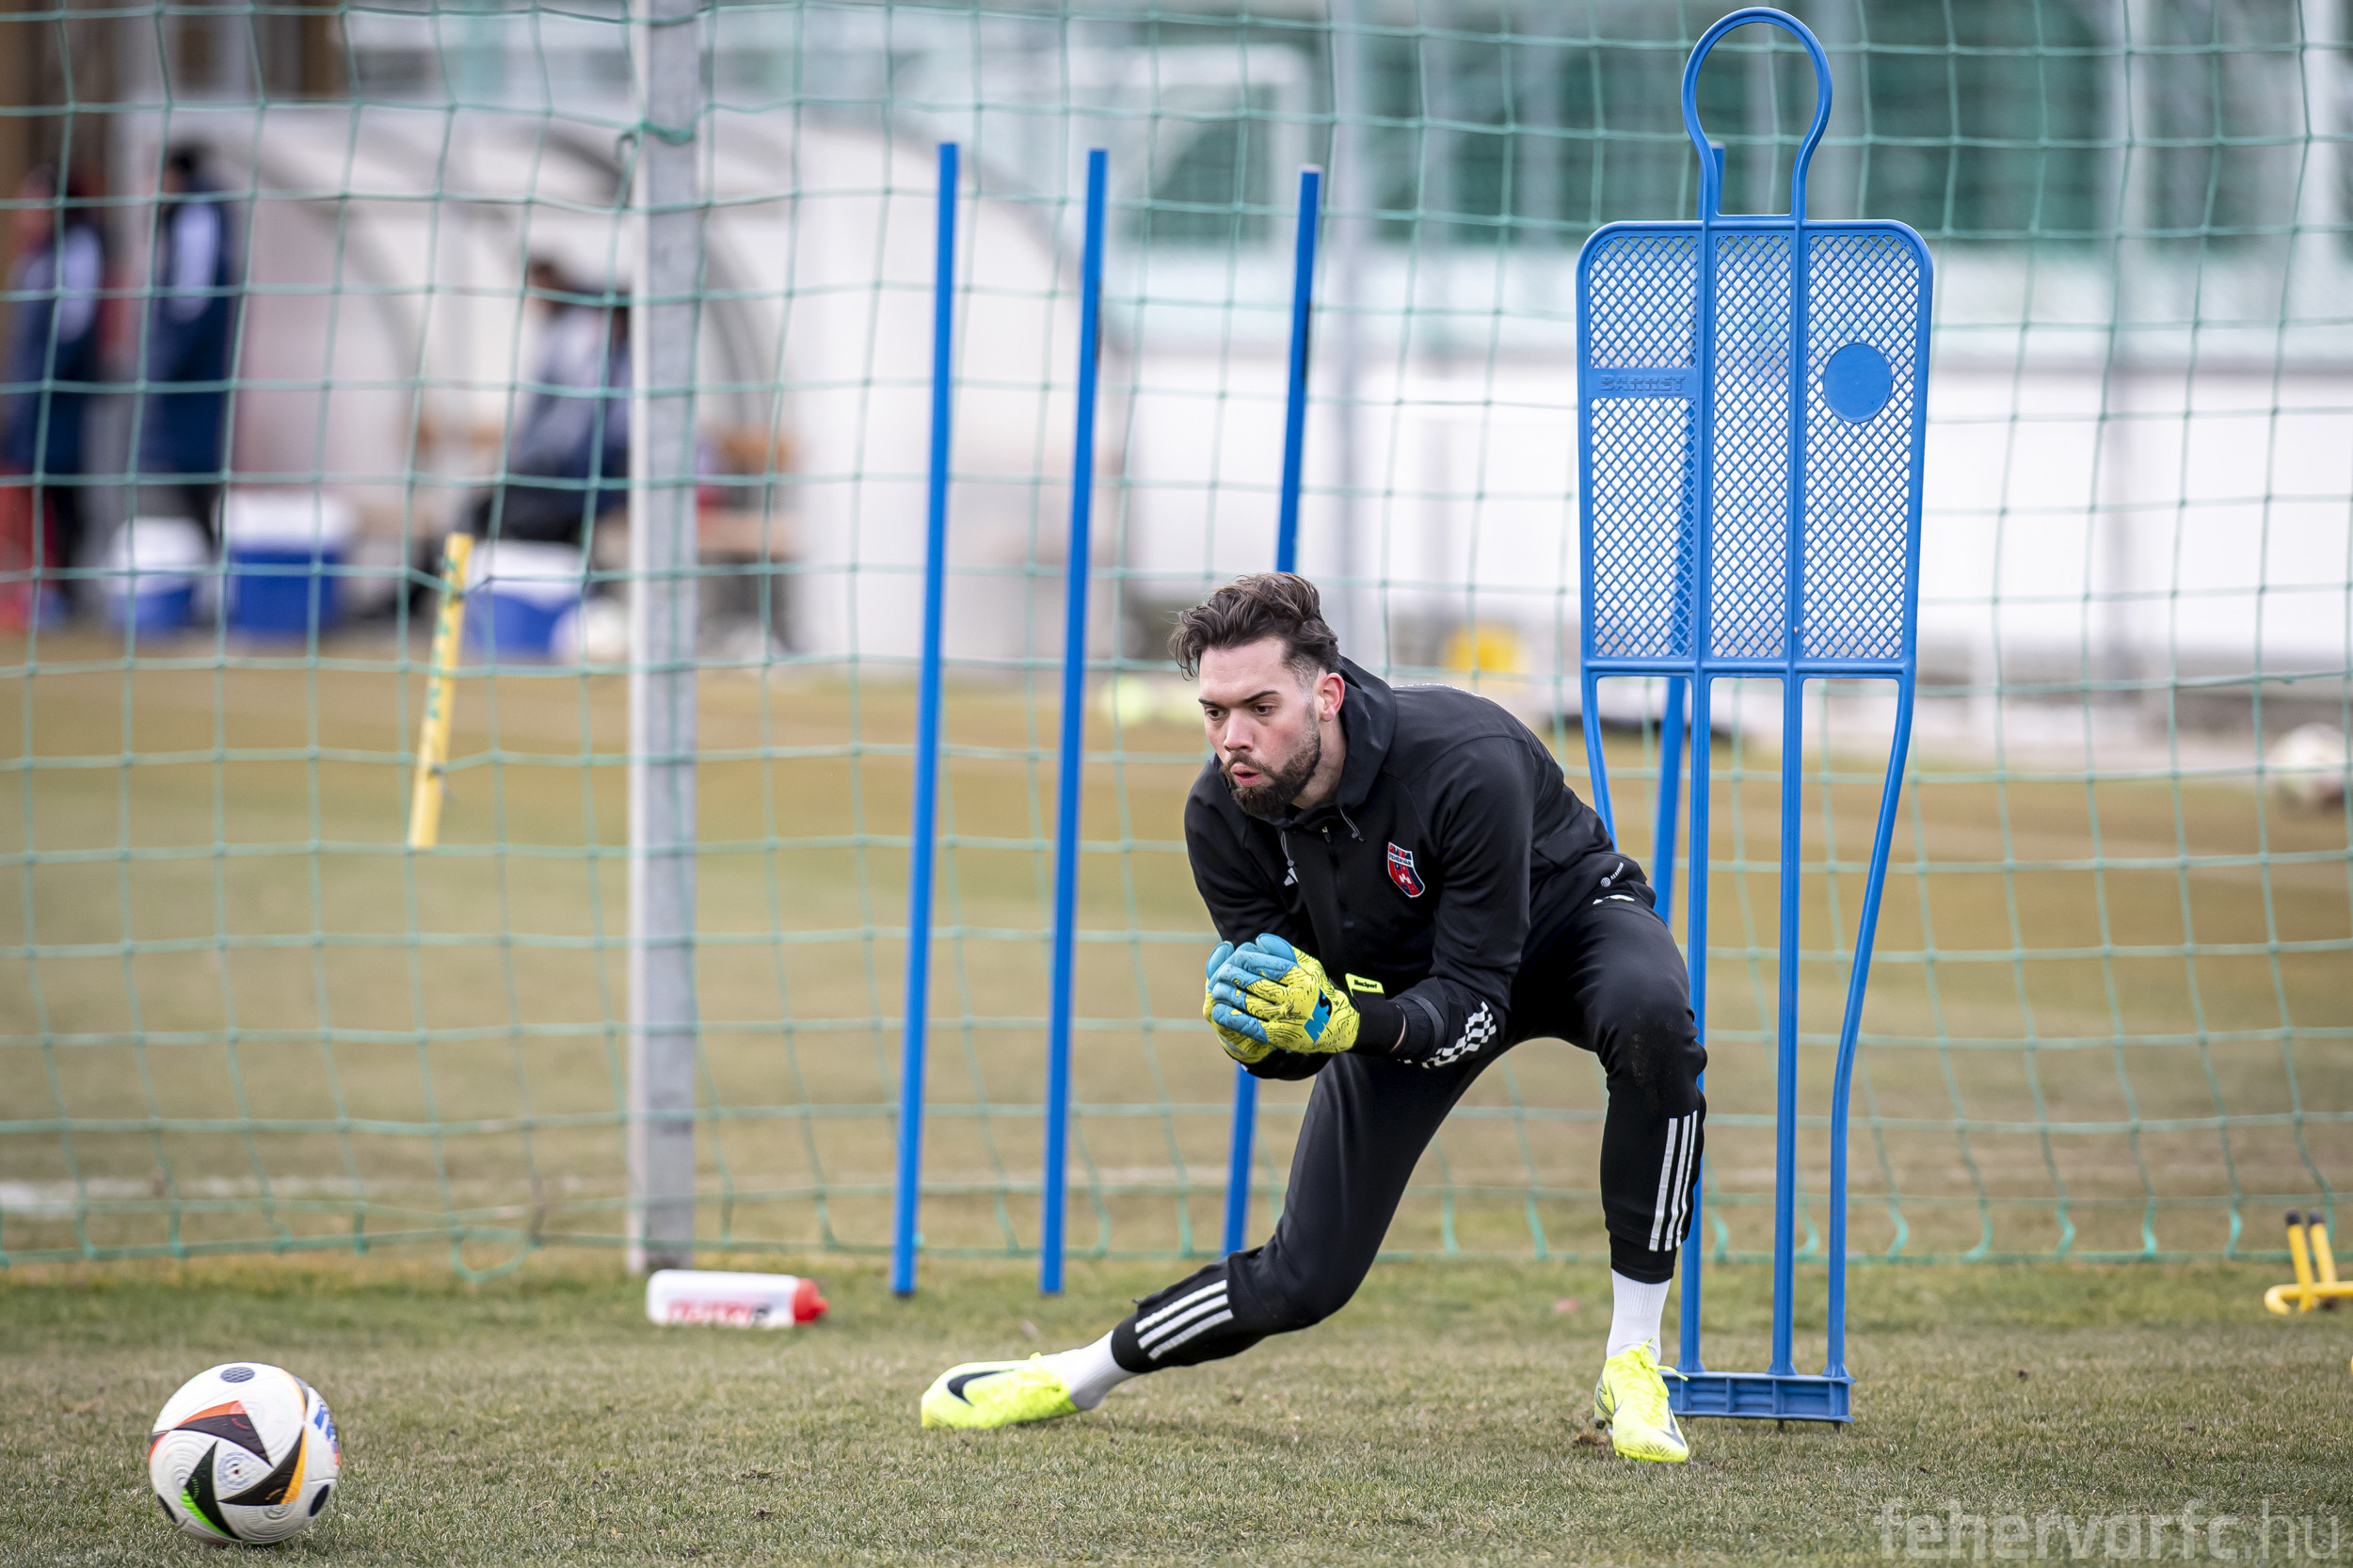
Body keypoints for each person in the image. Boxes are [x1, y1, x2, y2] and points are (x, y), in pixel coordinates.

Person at [918, 573, 1707, 1464]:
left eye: (1261, 708)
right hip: (1405, 995)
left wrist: (1344, 1025)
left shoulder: (1465, 758)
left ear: (1325, 695)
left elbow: (1476, 1001)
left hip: (1566, 929)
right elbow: (1304, 1035)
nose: (1234, 737)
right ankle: (1076, 1373)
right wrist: (1259, 1037)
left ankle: (1633, 1358)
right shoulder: (1220, 817)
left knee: (1653, 1023)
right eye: (1215, 712)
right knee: (1306, 1277)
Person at [468, 264, 629, 549]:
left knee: (529, 516)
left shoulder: (625, 371)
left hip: (586, 476)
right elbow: (549, 418)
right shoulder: (577, 358)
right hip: (554, 467)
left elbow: (610, 435)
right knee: (482, 510)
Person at [2, 165, 104, 607]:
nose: (26, 213)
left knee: (61, 490)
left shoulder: (78, 252)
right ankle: (37, 584)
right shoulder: (33, 259)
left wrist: (38, 386)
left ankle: (65, 589)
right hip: (27, 396)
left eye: (35, 203)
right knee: (28, 489)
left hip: (58, 399)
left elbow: (70, 332)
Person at [137, 146, 240, 548]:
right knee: (191, 483)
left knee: (193, 482)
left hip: (191, 381)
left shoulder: (196, 220)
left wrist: (160, 371)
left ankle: (212, 562)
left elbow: (189, 307)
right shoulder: (199, 215)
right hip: (193, 379)